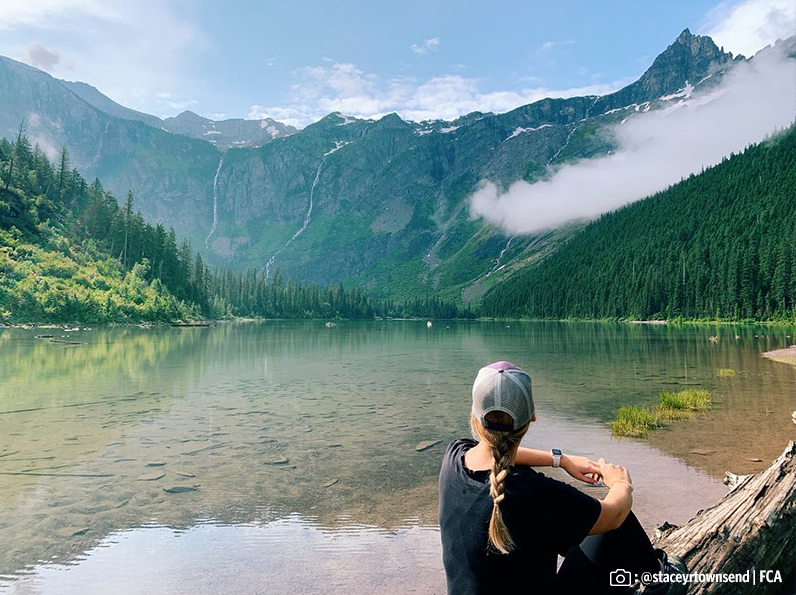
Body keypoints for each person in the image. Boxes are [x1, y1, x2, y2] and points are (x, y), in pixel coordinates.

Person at [438, 361, 688, 595]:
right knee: (615, 522)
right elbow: (614, 515)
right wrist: (620, 483)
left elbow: (494, 451)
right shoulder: (535, 492)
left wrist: (560, 459)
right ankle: (661, 580)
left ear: (475, 416)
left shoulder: (454, 456)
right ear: (532, 418)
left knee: (565, 524)